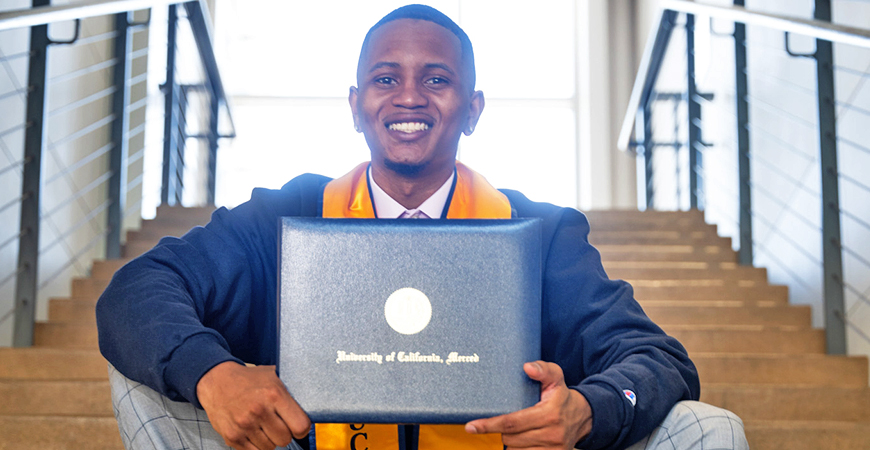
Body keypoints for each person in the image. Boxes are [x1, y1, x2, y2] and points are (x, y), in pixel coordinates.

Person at [96, 4, 749, 450]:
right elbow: (139, 289)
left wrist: (585, 410)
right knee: (146, 369)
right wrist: (215, 374)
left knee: (707, 427)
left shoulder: (542, 235)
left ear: (472, 108)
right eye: (386, 78)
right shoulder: (285, 217)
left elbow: (659, 360)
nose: (408, 97)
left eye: (436, 80)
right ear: (357, 106)